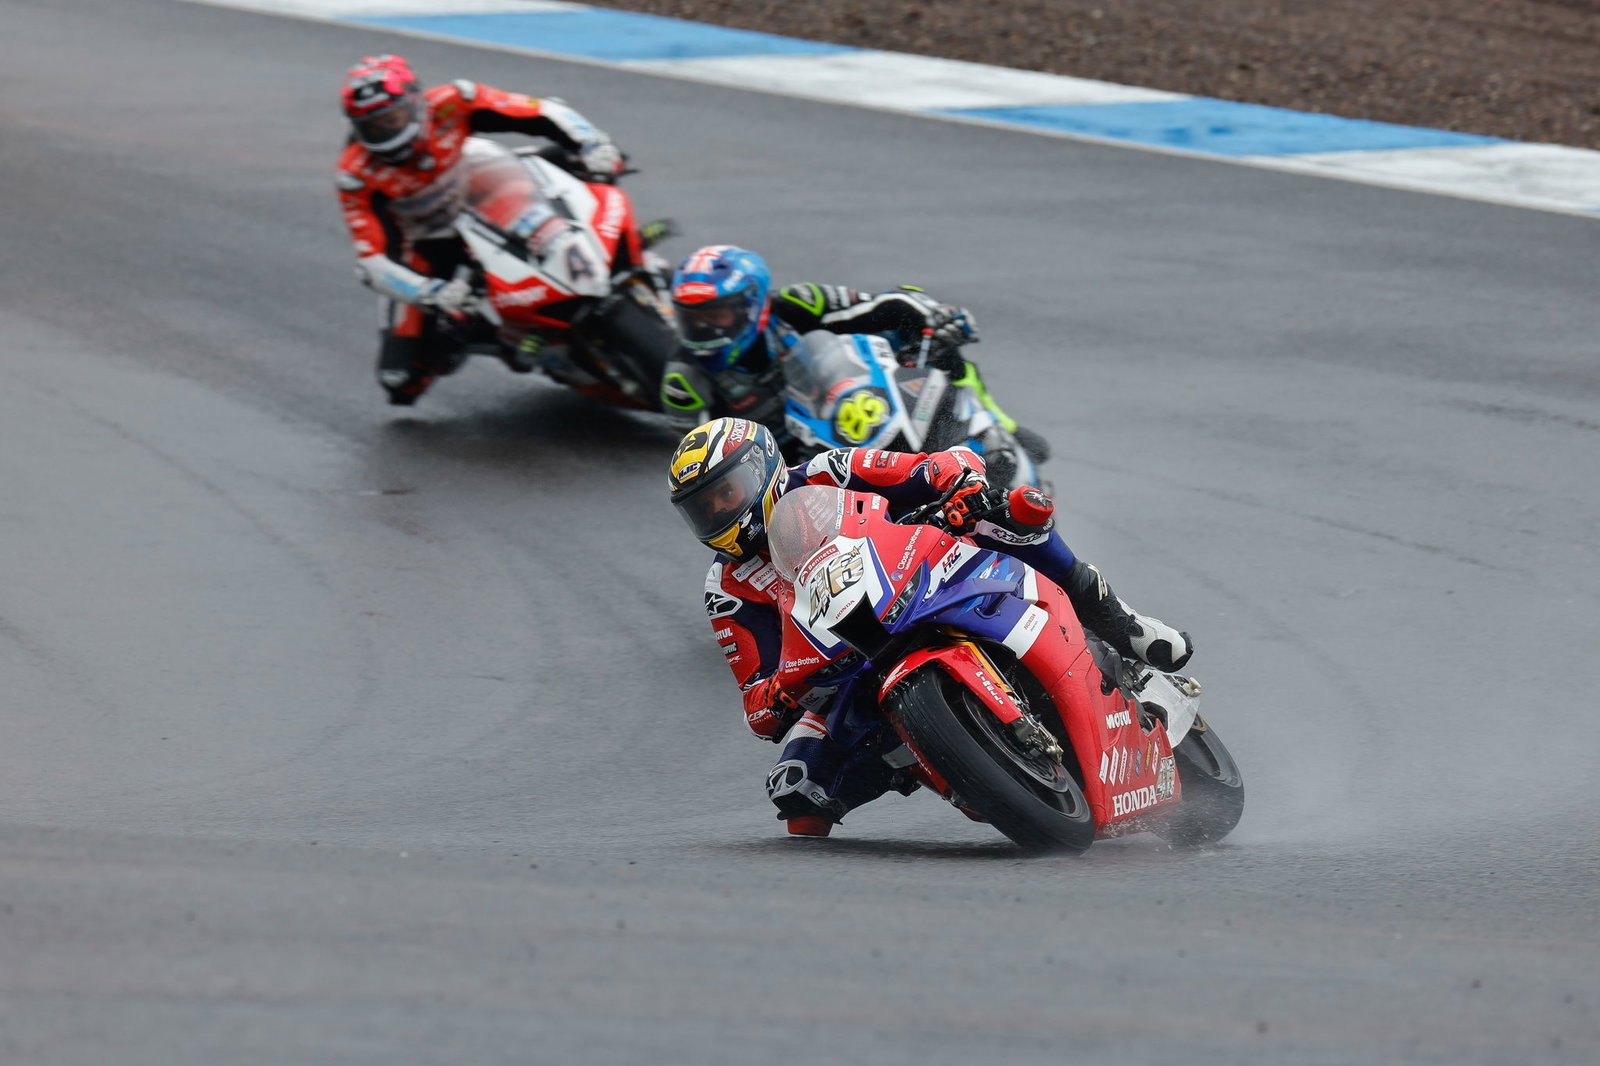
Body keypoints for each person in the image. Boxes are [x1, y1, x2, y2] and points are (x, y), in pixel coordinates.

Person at [668, 416, 1192, 837]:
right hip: (849, 666)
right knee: (798, 792)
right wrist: (777, 694)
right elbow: (754, 698)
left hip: (923, 573)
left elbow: (940, 464)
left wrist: (959, 485)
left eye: (726, 493)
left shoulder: (829, 469)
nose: (718, 513)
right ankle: (946, 759)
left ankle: (1125, 626)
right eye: (703, 508)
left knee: (1010, 515)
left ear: (762, 468)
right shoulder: (727, 589)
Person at [336, 53, 636, 406]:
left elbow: (541, 110)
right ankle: (483, 331)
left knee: (595, 164)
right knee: (400, 380)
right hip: (427, 237)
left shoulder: (453, 100)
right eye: (374, 125)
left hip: (482, 184)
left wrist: (592, 142)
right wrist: (429, 292)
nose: (388, 130)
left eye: (394, 117)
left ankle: (633, 257)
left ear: (415, 101)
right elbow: (371, 262)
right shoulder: (355, 174)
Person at [660, 245, 1047, 461]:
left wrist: (932, 315)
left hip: (852, 411)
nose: (705, 331)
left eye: (718, 317)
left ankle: (998, 426)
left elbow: (884, 305)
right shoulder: (683, 381)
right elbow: (700, 466)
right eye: (694, 320)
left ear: (753, 304)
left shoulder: (798, 303)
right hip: (790, 468)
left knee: (940, 346)